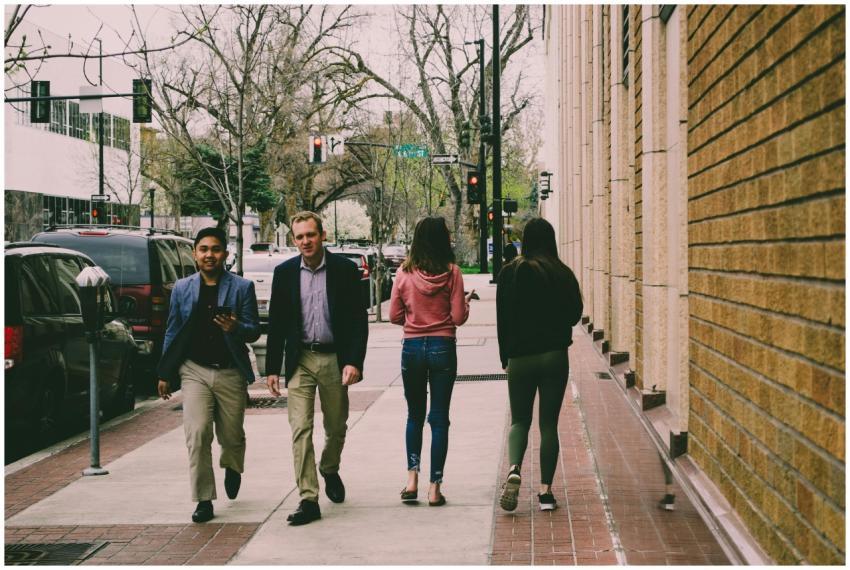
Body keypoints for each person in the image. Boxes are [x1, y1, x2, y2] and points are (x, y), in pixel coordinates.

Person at [265, 211, 368, 526]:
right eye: (300, 237)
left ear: (323, 235)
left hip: (335, 358)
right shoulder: (283, 273)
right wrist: (272, 369)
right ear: (294, 240)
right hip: (301, 361)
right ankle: (308, 498)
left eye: (311, 235)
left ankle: (329, 467)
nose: (306, 241)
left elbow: (357, 321)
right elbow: (278, 324)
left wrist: (354, 361)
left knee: (336, 427)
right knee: (300, 429)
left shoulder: (345, 270)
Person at [157, 227, 260, 523]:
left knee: (232, 436)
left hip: (230, 372)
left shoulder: (242, 288)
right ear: (195, 254)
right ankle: (203, 498)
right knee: (198, 433)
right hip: (194, 371)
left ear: (225, 254)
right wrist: (165, 371)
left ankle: (232, 465)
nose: (209, 255)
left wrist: (235, 328)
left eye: (215, 249)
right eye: (203, 249)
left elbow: (253, 331)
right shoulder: (182, 288)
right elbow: (173, 331)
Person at [495, 218, 582, 512]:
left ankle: (515, 469)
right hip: (555, 356)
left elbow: (503, 320)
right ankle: (546, 493)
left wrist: (505, 356)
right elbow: (574, 315)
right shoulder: (563, 273)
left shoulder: (510, 274)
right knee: (548, 424)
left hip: (520, 356)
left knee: (520, 421)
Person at [389, 217, 472, 507]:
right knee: (439, 419)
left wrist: (413, 318)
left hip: (411, 347)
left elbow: (394, 315)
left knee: (414, 415)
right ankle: (434, 487)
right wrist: (465, 306)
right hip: (443, 347)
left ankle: (412, 479)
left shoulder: (403, 272)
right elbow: (459, 317)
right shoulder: (453, 273)